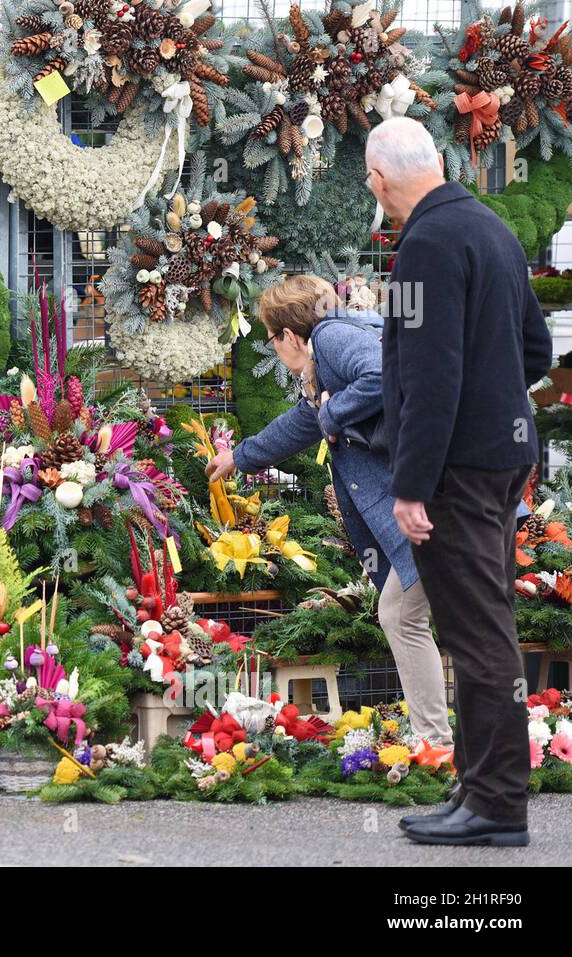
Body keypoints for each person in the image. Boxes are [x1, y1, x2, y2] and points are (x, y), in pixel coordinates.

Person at [365, 116, 552, 847]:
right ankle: (478, 788)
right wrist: (497, 400)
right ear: (437, 161)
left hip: (457, 471)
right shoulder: (490, 228)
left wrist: (409, 485)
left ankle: (498, 803)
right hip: (498, 459)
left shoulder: (427, 245)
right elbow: (534, 345)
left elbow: (429, 374)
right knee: (484, 620)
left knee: (478, 634)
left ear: (380, 182)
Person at [207, 275, 453, 759]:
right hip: (448, 498)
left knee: (402, 614)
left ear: (290, 335)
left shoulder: (332, 336)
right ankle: (466, 741)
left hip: (440, 502)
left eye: (271, 338)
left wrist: (332, 414)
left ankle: (438, 744)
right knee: (422, 615)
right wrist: (240, 457)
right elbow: (304, 422)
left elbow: (380, 378)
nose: (274, 349)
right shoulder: (334, 352)